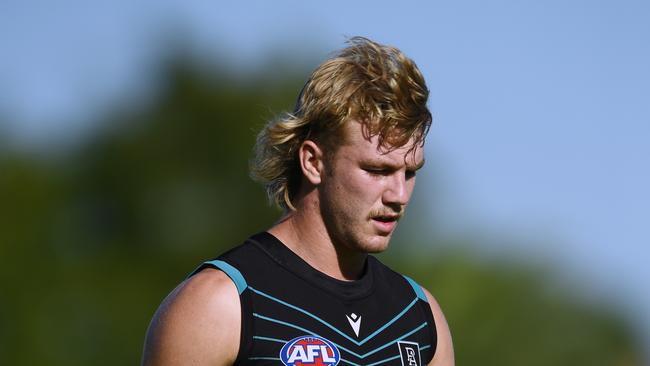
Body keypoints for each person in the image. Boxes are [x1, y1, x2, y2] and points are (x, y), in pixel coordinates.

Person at [142, 36, 454, 366]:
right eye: (377, 170)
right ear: (313, 162)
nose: (399, 196)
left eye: (409, 173)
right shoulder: (220, 304)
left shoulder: (419, 317)